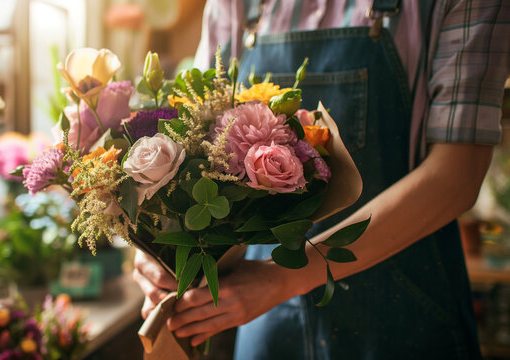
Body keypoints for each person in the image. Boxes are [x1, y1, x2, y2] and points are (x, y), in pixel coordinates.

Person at [132, 0, 510, 358]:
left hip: (404, 318)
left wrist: (282, 279)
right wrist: (162, 250)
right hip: (264, 321)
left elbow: (456, 177)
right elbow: (192, 146)